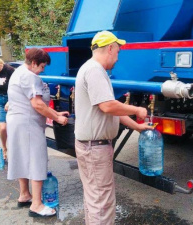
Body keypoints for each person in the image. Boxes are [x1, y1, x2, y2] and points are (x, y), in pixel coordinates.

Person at [74, 30, 153, 225]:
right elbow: (108, 106)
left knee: (95, 198)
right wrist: (137, 109)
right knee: (101, 203)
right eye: (117, 51)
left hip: (92, 146)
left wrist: (137, 126)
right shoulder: (94, 70)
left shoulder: (93, 69)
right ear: (110, 48)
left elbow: (110, 109)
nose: (118, 57)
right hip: (95, 147)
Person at [6, 48, 69, 217]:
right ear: (33, 63)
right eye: (41, 66)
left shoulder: (18, 71)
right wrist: (57, 118)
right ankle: (37, 204)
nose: (43, 70)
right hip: (28, 124)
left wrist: (56, 114)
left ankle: (25, 194)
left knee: (22, 158)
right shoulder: (30, 76)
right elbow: (38, 105)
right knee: (37, 160)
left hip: (17, 121)